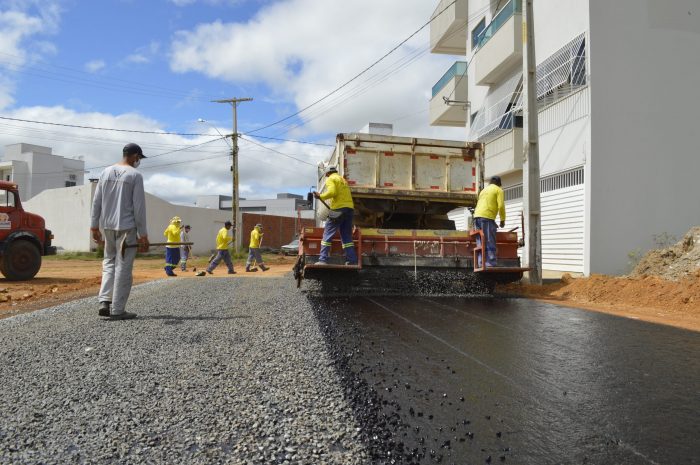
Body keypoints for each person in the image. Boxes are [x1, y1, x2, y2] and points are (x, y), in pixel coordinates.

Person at [90, 143, 149, 320]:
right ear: (135, 156)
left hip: (107, 227)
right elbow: (139, 207)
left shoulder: (105, 172)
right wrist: (143, 234)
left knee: (109, 262)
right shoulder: (135, 175)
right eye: (139, 158)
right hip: (127, 228)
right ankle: (117, 309)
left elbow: (97, 201)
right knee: (123, 266)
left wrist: (94, 225)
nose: (139, 161)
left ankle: (104, 301)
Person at [313, 166, 358, 265]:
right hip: (349, 209)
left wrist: (320, 196)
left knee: (327, 234)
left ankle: (322, 260)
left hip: (338, 210)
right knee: (346, 236)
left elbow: (332, 192)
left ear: (327, 173)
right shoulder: (343, 180)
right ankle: (352, 261)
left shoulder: (331, 178)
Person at [473, 175, 506, 268]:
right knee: (489, 240)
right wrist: (502, 220)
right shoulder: (499, 190)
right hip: (487, 217)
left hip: (477, 217)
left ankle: (480, 263)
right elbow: (501, 206)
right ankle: (490, 263)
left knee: (480, 241)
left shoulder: (484, 190)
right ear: (499, 183)